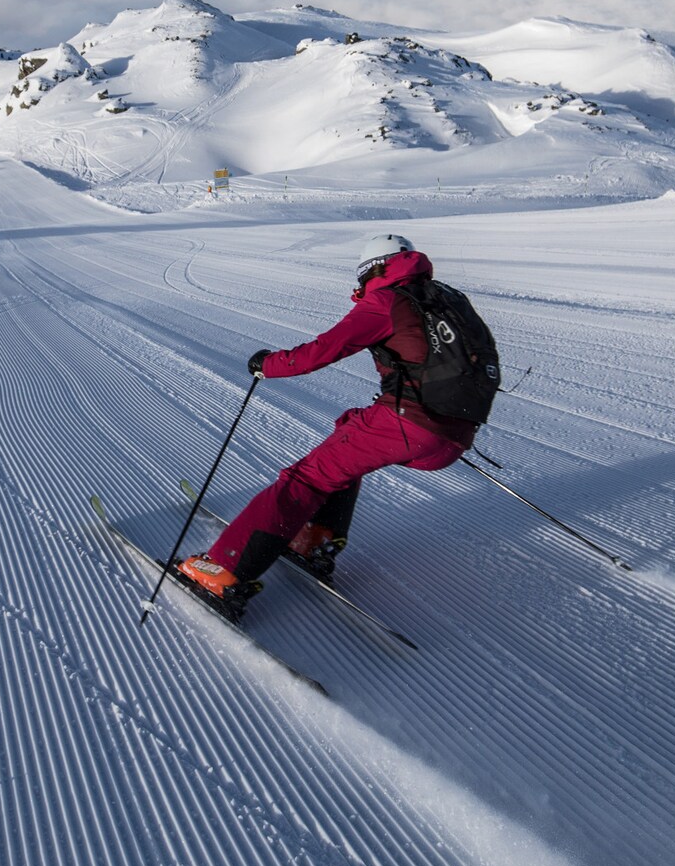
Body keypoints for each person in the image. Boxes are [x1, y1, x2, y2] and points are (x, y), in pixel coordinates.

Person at [176, 232, 478, 614]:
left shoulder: (387, 300)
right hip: (456, 434)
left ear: (373, 270)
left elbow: (323, 350)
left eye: (362, 278)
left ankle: (223, 572)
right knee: (350, 430)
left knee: (304, 480)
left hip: (408, 424)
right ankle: (313, 538)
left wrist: (268, 364)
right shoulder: (449, 299)